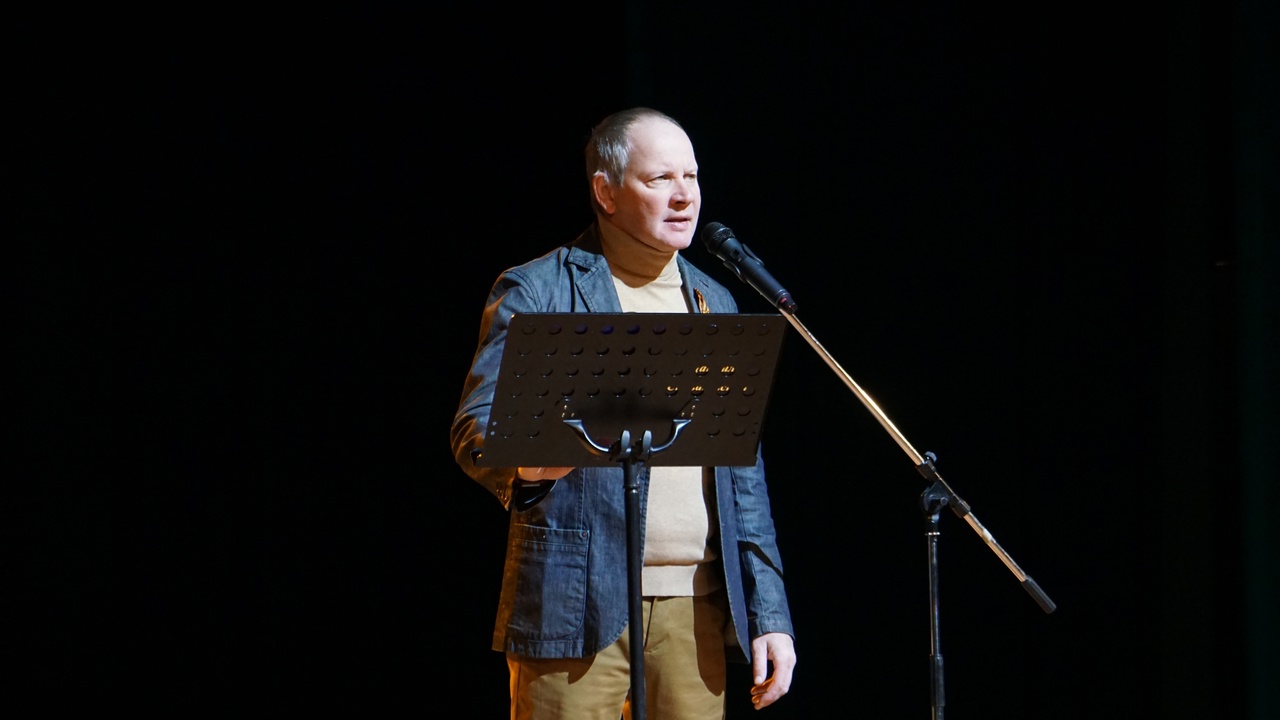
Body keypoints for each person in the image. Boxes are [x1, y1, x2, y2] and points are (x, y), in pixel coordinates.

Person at [450, 107, 796, 719]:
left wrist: (769, 613)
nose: (684, 195)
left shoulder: (712, 299)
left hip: (695, 610)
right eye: (660, 178)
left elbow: (742, 472)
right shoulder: (540, 289)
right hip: (573, 603)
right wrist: (525, 462)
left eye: (691, 176)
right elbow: (474, 424)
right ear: (605, 192)